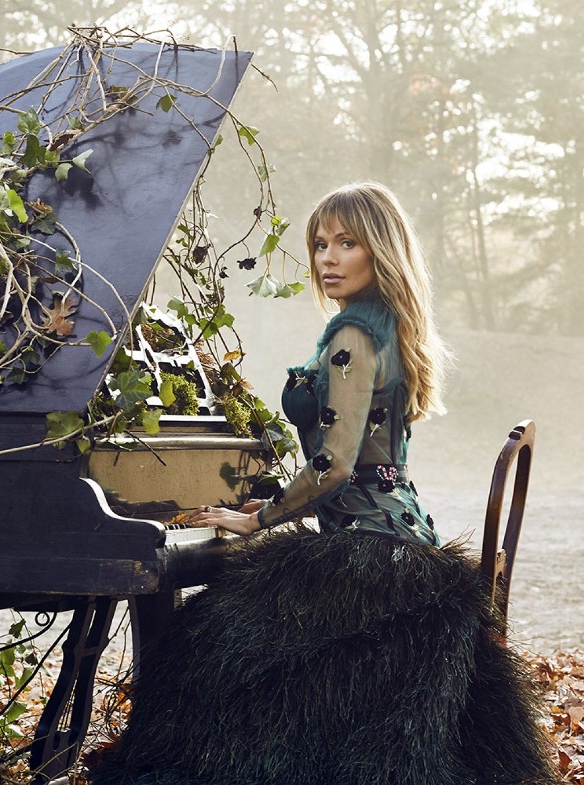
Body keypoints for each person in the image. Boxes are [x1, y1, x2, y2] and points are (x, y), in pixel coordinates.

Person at [86, 182, 560, 785]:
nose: (327, 258)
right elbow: (362, 462)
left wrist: (254, 518)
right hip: (403, 537)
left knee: (210, 639)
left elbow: (334, 468)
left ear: (379, 251)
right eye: (319, 244)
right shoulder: (389, 326)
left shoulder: (351, 339)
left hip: (366, 551)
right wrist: (275, 501)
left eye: (346, 242)